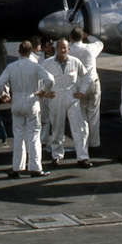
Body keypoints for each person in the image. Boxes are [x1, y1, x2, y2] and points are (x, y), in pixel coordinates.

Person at [0, 40, 55, 177]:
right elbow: (50, 80)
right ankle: (35, 168)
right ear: (30, 51)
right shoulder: (35, 66)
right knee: (34, 136)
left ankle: (17, 168)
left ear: (19, 52)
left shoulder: (11, 67)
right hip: (32, 100)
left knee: (18, 136)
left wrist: (3, 94)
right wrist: (44, 91)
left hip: (17, 101)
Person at [42, 39, 93, 168]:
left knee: (78, 128)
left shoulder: (75, 62)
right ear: (56, 49)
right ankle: (56, 156)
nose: (63, 50)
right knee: (57, 128)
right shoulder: (47, 64)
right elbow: (38, 78)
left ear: (68, 49)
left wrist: (81, 91)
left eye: (65, 48)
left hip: (72, 96)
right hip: (55, 96)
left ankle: (82, 157)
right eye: (60, 48)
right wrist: (44, 93)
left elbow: (87, 77)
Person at [66, 27, 104, 153]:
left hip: (79, 86)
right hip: (93, 83)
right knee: (93, 114)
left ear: (71, 39)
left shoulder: (69, 50)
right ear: (82, 37)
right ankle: (94, 143)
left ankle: (84, 143)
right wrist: (89, 36)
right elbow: (100, 43)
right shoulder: (90, 48)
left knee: (82, 116)